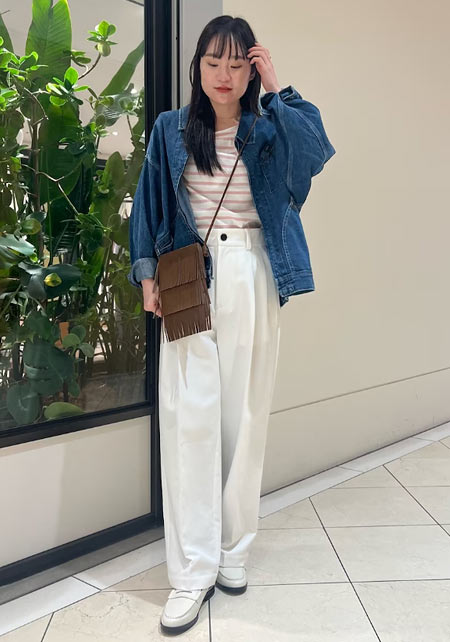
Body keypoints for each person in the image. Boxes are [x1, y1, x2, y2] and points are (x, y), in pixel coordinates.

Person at [128, 15, 336, 637]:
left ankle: (232, 551)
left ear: (252, 68)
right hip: (188, 275)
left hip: (251, 269)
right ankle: (191, 571)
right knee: (188, 420)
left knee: (244, 417)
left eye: (238, 63)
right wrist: (147, 275)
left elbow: (314, 154)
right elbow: (149, 203)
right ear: (197, 67)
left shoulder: (268, 126)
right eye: (213, 62)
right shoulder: (170, 129)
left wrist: (277, 89)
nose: (224, 74)